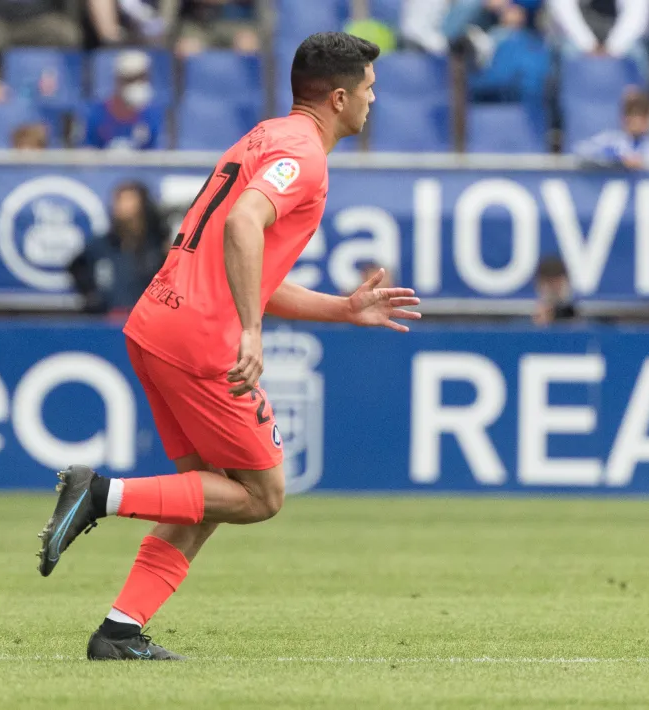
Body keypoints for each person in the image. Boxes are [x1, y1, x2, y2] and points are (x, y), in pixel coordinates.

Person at [35, 32, 421, 661]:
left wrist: (343, 310)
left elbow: (247, 265)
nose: (374, 102)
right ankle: (100, 494)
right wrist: (250, 330)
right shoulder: (304, 153)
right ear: (341, 96)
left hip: (157, 322)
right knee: (262, 495)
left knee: (208, 492)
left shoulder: (265, 135)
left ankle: (119, 631)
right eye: (370, 90)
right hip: (201, 340)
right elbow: (244, 223)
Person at [67, 181, 167, 315]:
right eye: (118, 200)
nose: (121, 206)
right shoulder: (101, 245)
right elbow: (77, 268)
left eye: (128, 200)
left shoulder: (158, 247)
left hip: (147, 321)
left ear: (142, 204)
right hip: (106, 321)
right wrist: (93, 297)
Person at [82, 49, 164, 150]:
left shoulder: (153, 114)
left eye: (142, 78)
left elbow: (156, 157)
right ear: (117, 80)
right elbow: (87, 154)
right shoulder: (97, 114)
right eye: (130, 78)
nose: (137, 83)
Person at [574, 89, 649, 167]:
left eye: (642, 116)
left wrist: (641, 162)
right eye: (631, 113)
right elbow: (579, 151)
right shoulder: (610, 140)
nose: (635, 120)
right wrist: (613, 158)